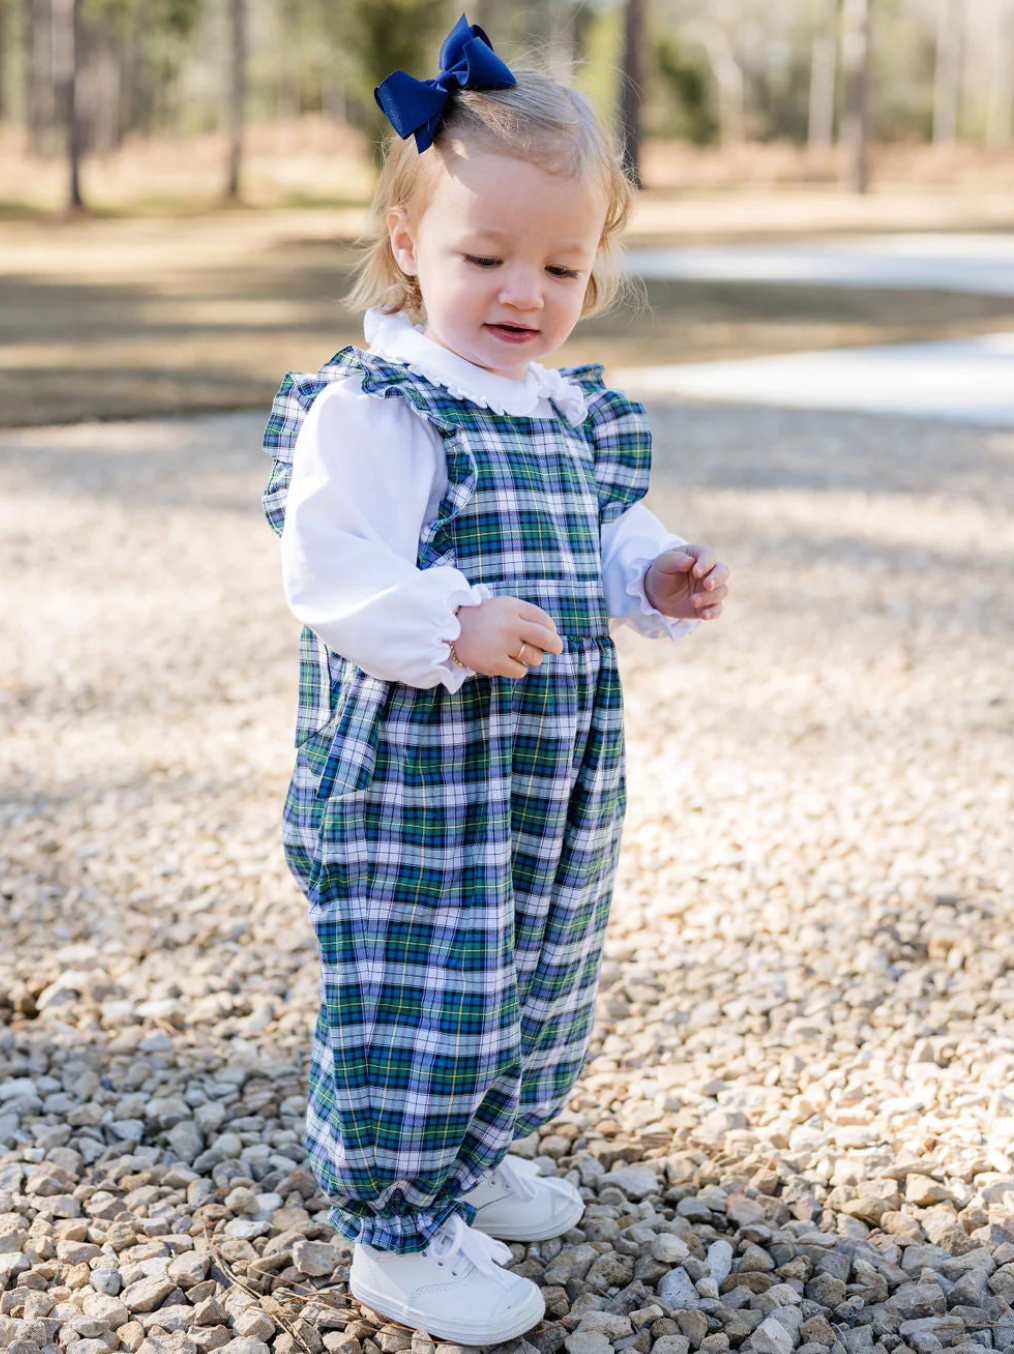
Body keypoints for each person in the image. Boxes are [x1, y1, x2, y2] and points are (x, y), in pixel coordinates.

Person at [262, 14, 730, 1346]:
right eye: (485, 256)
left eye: (561, 264)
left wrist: (654, 574)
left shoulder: (562, 409)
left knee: (534, 964)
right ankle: (398, 1229)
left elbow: (601, 529)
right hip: (422, 775)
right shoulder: (384, 405)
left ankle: (479, 1151)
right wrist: (447, 619)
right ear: (409, 245)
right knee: (427, 982)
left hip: (548, 768)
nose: (523, 290)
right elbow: (331, 567)